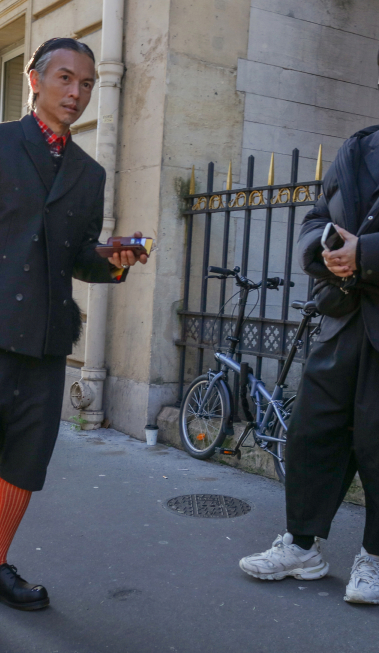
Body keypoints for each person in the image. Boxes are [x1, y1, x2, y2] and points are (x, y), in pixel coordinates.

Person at [0, 37, 148, 632]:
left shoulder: (88, 173)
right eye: (66, 78)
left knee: (26, 461)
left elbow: (76, 257)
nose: (77, 92)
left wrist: (114, 259)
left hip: (45, 343)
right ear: (35, 81)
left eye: (87, 83)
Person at [239, 50, 379, 605]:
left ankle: (374, 557)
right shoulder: (358, 148)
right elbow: (315, 220)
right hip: (342, 318)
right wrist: (324, 251)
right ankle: (302, 546)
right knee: (312, 435)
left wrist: (365, 253)